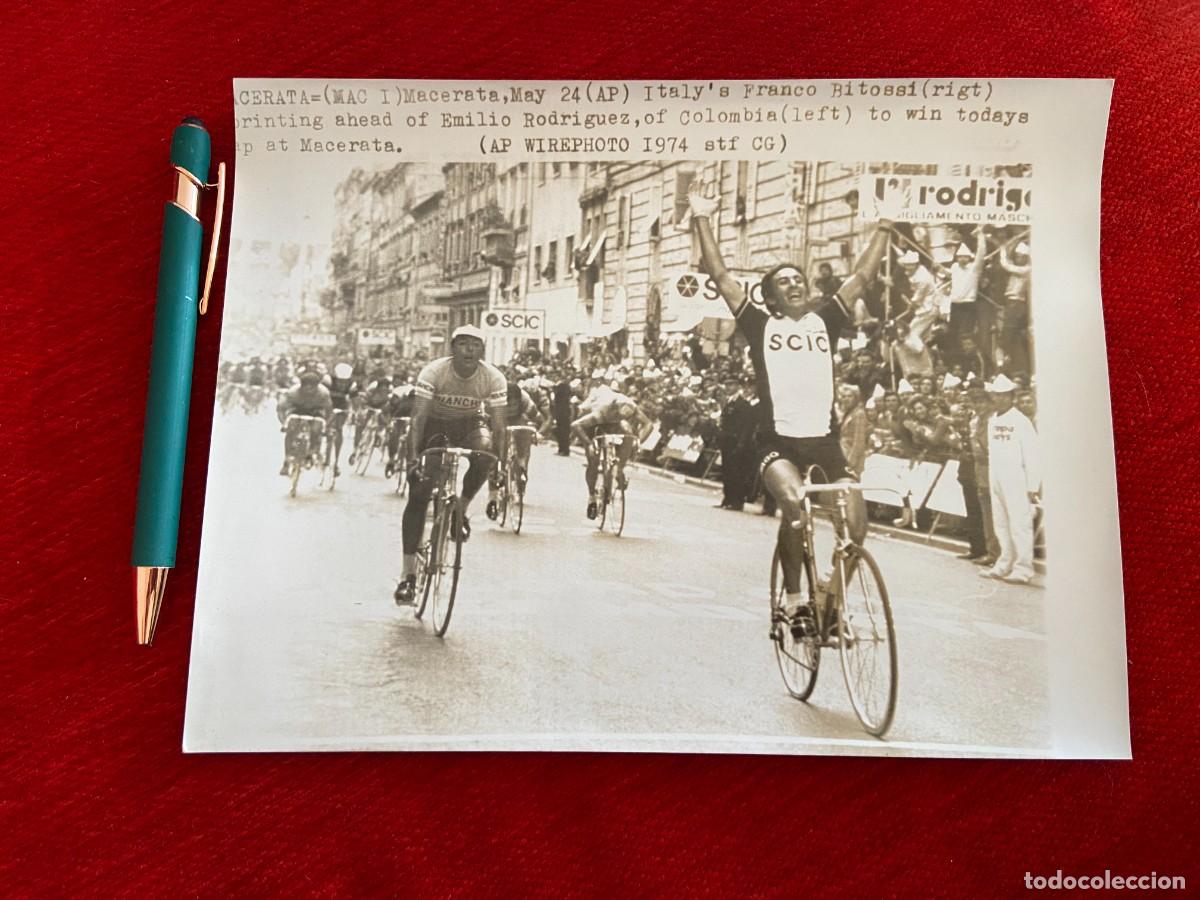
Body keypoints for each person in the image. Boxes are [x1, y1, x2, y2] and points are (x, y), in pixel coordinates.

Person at [689, 178, 894, 634]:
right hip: (777, 441)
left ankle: (830, 603)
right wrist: (701, 215)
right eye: (784, 282)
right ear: (771, 295)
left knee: (856, 528)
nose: (795, 284)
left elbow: (861, 275)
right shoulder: (760, 325)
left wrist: (886, 223)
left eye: (798, 279)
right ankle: (796, 600)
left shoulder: (827, 320)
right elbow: (722, 276)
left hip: (823, 442)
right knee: (797, 508)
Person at [394, 325, 507, 606]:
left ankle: (461, 508)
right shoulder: (434, 371)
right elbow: (418, 419)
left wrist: (500, 466)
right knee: (420, 494)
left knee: (485, 452)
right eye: (463, 344)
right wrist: (411, 460)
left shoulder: (493, 377)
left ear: (482, 351)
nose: (469, 350)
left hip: (469, 424)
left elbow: (500, 426)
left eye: (475, 345)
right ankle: (408, 576)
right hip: (435, 424)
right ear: (452, 348)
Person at [981, 375, 1040, 584]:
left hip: (1016, 478)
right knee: (1001, 523)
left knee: (1019, 524)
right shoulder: (992, 420)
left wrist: (1033, 485)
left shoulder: (1020, 422)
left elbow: (1032, 454)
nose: (999, 399)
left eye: (1004, 395)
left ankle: (1023, 568)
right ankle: (1005, 562)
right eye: (996, 395)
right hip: (996, 476)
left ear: (1011, 397)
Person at [571, 391, 653, 520]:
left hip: (615, 421)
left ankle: (619, 469)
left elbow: (648, 424)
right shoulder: (601, 411)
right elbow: (576, 425)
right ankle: (592, 496)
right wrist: (589, 444)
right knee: (593, 460)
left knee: (628, 435)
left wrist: (638, 442)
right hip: (594, 425)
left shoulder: (630, 407)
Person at [486, 380, 546, 519]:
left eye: (515, 404)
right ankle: (492, 495)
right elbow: (485, 422)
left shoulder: (527, 402)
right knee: (493, 455)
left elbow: (541, 420)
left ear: (519, 402)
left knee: (524, 439)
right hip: (499, 419)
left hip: (520, 420)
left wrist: (538, 433)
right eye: (509, 405)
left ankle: (521, 478)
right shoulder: (492, 402)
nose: (512, 408)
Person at [275, 360, 332, 476]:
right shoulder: (292, 393)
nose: (309, 390)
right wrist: (283, 423)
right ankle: (286, 461)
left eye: (312, 387)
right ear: (301, 385)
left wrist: (326, 426)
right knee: (290, 429)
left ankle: (311, 452)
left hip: (316, 411)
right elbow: (281, 408)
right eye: (306, 386)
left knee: (316, 428)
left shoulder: (324, 394)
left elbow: (329, 411)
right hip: (297, 409)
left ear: (317, 386)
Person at [717, 376, 756, 510]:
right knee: (727, 471)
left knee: (736, 473)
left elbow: (747, 427)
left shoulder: (743, 404)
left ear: (738, 386)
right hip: (727, 442)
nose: (728, 387)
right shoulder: (729, 403)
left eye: (731, 385)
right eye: (727, 385)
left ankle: (736, 501)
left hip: (736, 442)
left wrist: (741, 444)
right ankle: (727, 499)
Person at [323, 362, 357, 476]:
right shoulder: (327, 381)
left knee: (338, 430)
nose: (342, 384)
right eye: (340, 381)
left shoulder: (352, 385)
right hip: (327, 405)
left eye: (345, 381)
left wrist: (357, 412)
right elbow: (321, 395)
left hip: (341, 407)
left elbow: (355, 400)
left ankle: (336, 462)